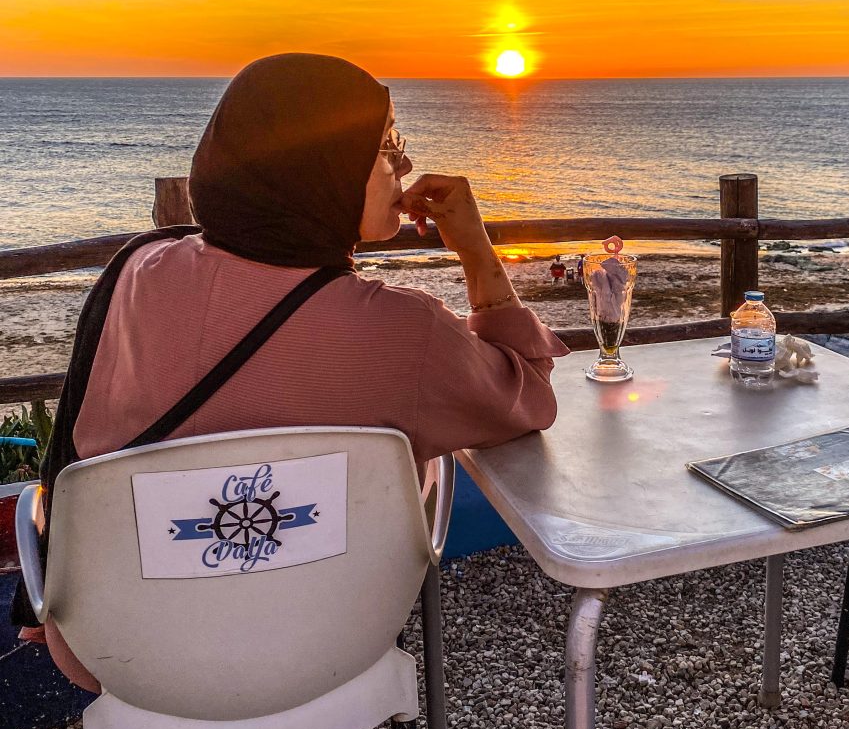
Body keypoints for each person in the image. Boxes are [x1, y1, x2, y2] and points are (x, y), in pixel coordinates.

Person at [27, 53, 569, 691]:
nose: (405, 164)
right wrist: (477, 248)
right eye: (388, 143)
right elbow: (529, 399)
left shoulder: (136, 268)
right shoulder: (401, 333)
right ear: (326, 162)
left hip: (120, 650)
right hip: (334, 644)